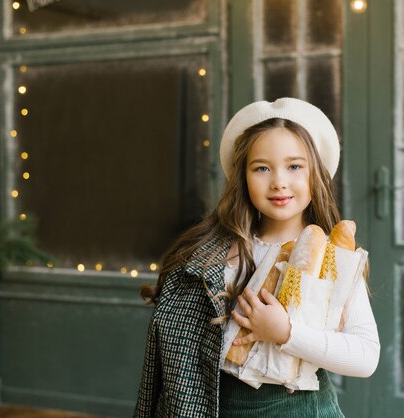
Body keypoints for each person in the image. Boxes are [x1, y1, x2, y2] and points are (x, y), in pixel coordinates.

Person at [134, 98, 380, 417]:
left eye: (294, 166)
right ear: (243, 177)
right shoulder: (213, 254)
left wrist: (285, 332)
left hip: (299, 409)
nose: (279, 181)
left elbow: (366, 357)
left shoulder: (332, 260)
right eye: (262, 167)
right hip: (217, 406)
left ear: (315, 173)